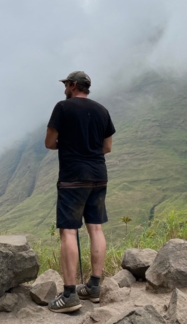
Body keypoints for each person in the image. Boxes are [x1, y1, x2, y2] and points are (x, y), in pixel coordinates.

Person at [45, 71, 115, 313]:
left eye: (66, 83)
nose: (64, 87)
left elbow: (49, 142)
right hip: (98, 175)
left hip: (73, 177)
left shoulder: (62, 108)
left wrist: (68, 144)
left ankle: (69, 295)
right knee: (95, 227)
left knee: (69, 231)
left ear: (74, 85)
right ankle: (94, 287)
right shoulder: (102, 110)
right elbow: (107, 146)